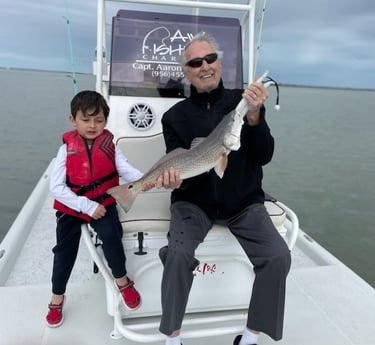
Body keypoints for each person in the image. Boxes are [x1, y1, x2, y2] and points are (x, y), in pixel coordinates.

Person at [154, 32, 291, 345]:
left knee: (278, 256)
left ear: (220, 63)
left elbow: (264, 155)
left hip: (244, 202)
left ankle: (251, 335)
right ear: (186, 71)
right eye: (195, 62)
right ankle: (172, 337)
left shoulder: (241, 104)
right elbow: (179, 164)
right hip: (193, 203)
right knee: (177, 254)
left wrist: (254, 115)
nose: (204, 66)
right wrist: (174, 179)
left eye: (210, 58)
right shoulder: (173, 117)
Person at [45, 90, 153, 327]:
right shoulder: (65, 150)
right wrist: (87, 206)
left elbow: (127, 171)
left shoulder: (110, 147)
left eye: (99, 120)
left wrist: (146, 179)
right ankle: (57, 296)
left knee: (112, 237)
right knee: (63, 252)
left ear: (106, 120)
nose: (93, 125)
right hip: (73, 207)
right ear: (73, 120)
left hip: (103, 203)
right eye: (86, 119)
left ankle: (122, 280)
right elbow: (56, 187)